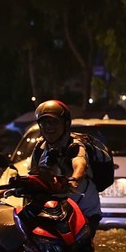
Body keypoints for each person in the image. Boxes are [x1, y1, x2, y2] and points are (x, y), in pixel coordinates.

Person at [32, 99, 102, 233]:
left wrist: (74, 180)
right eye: (44, 122)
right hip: (55, 212)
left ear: (66, 123)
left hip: (84, 212)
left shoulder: (75, 146)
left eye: (53, 122)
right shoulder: (40, 148)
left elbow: (80, 164)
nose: (48, 127)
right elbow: (33, 175)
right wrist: (2, 192)